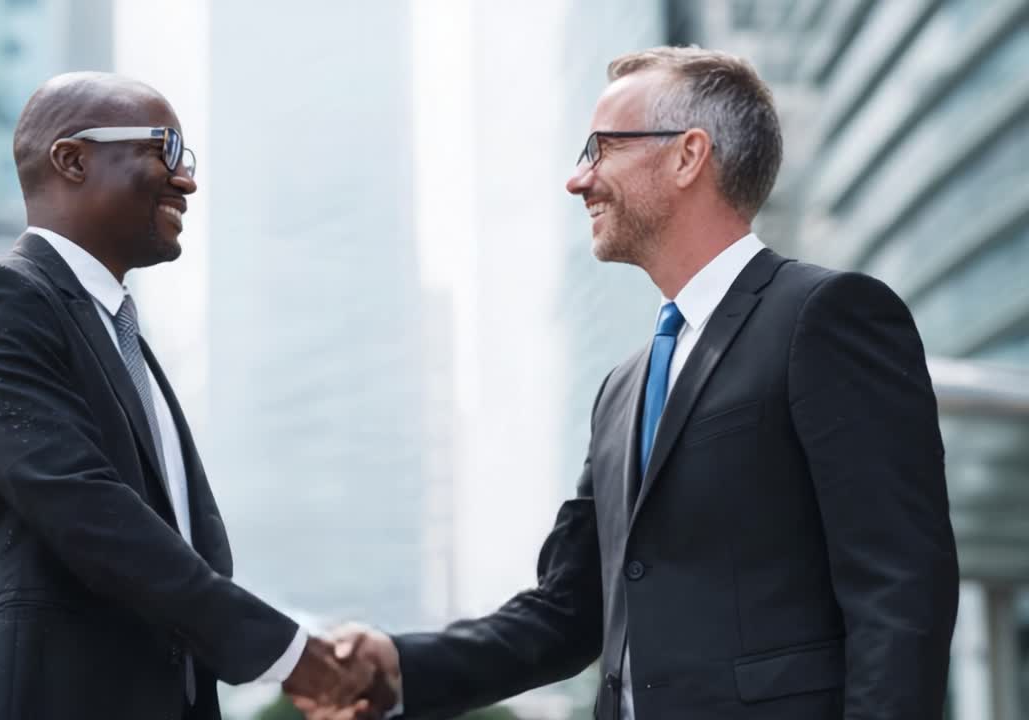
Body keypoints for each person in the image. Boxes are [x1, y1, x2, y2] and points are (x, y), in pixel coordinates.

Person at [296, 47, 959, 720]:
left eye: (601, 148)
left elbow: (900, 591)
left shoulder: (826, 317)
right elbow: (569, 610)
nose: (578, 179)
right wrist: (398, 662)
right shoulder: (623, 388)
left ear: (687, 155)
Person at [0, 72, 391, 720]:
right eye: (164, 148)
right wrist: (287, 651)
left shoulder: (127, 344)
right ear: (72, 159)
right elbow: (85, 507)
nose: (186, 180)